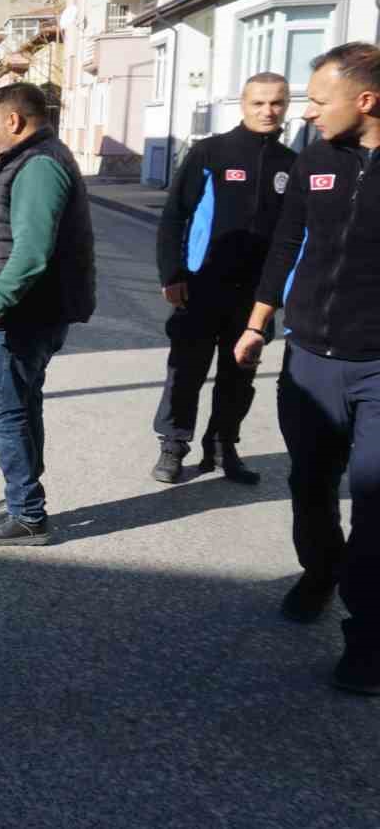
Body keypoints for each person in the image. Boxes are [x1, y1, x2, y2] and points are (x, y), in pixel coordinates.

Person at [234, 42, 380, 696]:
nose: (309, 112)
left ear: (366, 101)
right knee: (310, 486)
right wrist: (257, 323)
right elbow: (286, 244)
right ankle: (319, 573)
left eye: (321, 101)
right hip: (311, 360)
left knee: (375, 508)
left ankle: (369, 640)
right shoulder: (316, 159)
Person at [0, 82, 95, 546]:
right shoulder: (28, 159)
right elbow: (14, 227)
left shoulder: (39, 165)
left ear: (13, 121)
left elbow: (31, 251)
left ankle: (28, 513)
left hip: (20, 316)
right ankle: (19, 498)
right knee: (20, 408)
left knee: (3, 413)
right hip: (24, 313)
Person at [151, 73, 295, 484]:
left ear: (286, 106)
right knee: (186, 370)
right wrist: (172, 273)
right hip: (201, 285)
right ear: (243, 104)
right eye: (259, 103)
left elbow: (293, 235)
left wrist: (278, 293)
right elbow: (174, 216)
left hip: (254, 296)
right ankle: (173, 446)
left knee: (239, 376)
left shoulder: (291, 163)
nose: (268, 111)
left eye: (277, 103)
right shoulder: (210, 152)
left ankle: (222, 446)